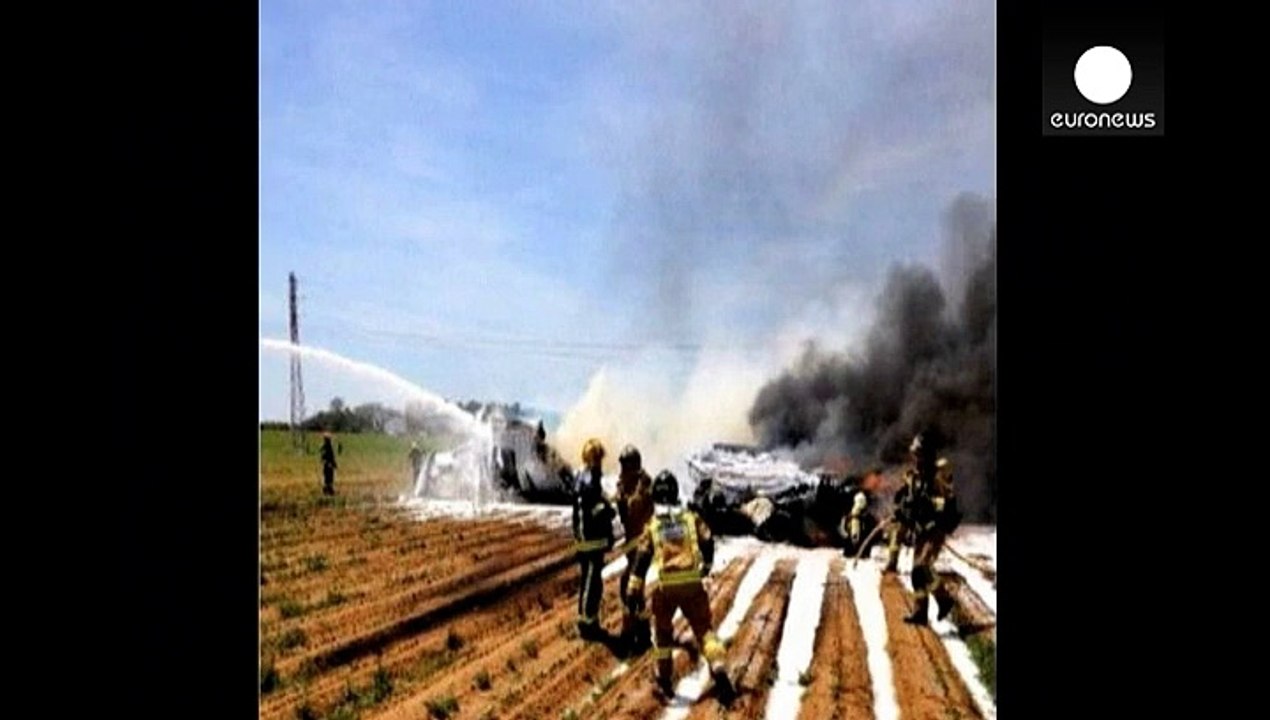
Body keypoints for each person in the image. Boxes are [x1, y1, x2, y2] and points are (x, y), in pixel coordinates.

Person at [626, 470, 732, 703]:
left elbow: (642, 557)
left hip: (667, 589)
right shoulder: (691, 518)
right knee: (704, 630)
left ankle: (664, 680)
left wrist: (634, 587)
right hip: (692, 584)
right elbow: (708, 540)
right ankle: (718, 665)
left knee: (663, 635)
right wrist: (707, 564)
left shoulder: (654, 525)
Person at [896, 438, 962, 626]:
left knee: (923, 567)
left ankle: (944, 599)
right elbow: (907, 500)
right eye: (914, 454)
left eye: (918, 454)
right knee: (916, 573)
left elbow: (948, 502)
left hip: (935, 530)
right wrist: (902, 509)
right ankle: (920, 612)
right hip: (920, 530)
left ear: (926, 455)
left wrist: (930, 503)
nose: (915, 458)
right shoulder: (916, 476)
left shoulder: (938, 476)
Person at [572, 438, 616, 639]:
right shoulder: (590, 477)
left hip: (585, 538)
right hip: (592, 539)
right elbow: (592, 509)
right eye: (598, 457)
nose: (600, 461)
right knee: (592, 581)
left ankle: (585, 619)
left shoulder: (582, 476)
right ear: (593, 458)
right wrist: (608, 510)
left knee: (588, 580)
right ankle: (589, 625)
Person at [616, 445, 655, 654]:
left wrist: (622, 495)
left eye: (625, 465)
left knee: (629, 587)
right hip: (634, 545)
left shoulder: (643, 485)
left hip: (643, 546)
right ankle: (641, 633)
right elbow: (623, 516)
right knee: (633, 590)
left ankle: (633, 635)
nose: (621, 469)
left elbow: (633, 510)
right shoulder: (629, 483)